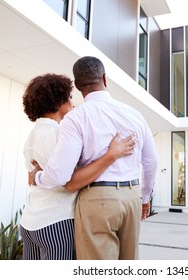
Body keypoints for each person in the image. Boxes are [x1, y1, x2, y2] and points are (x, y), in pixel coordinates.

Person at [33, 56, 158, 260]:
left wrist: (37, 176)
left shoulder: (76, 118)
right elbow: (151, 162)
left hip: (97, 199)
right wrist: (145, 198)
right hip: (131, 197)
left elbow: (59, 175)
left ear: (77, 86)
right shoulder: (135, 114)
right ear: (105, 79)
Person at [21, 73, 136, 260]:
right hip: (55, 222)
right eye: (70, 97)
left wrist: (39, 176)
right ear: (58, 102)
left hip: (29, 223)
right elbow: (72, 181)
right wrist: (112, 154)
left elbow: (30, 178)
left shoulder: (33, 134)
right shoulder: (57, 133)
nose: (73, 103)